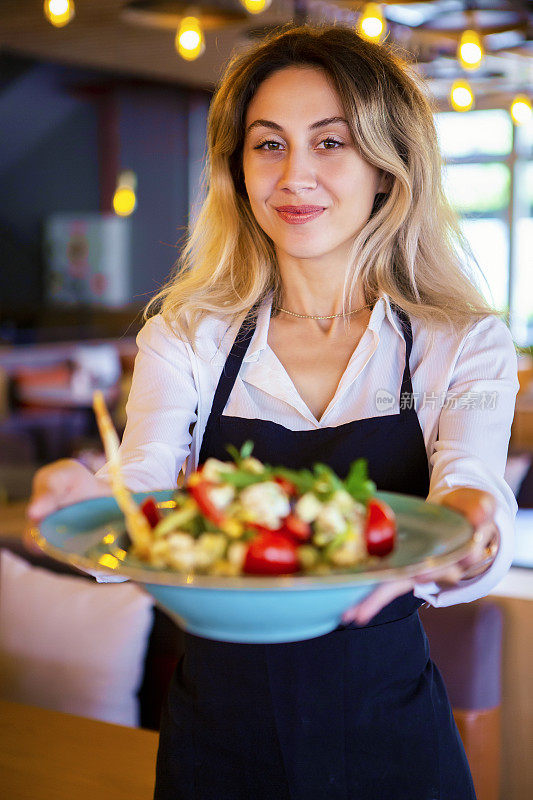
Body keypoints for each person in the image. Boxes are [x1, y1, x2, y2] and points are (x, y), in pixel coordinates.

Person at [28, 23, 519, 800]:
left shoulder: (458, 342)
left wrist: (465, 532)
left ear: (387, 169)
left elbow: (470, 487)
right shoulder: (187, 335)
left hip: (386, 735)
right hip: (215, 735)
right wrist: (96, 505)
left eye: (330, 143)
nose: (295, 175)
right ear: (236, 166)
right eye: (268, 144)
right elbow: (142, 481)